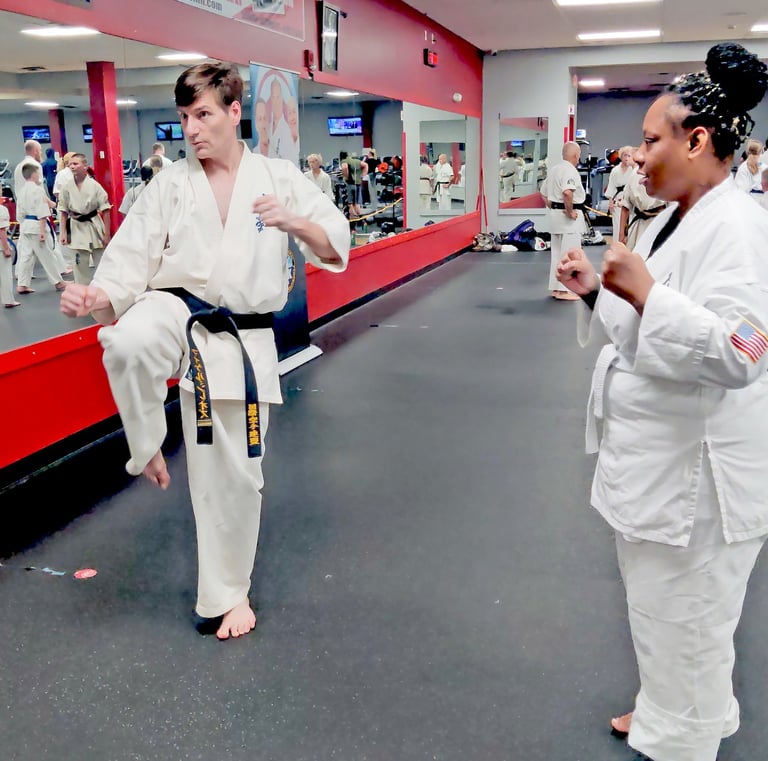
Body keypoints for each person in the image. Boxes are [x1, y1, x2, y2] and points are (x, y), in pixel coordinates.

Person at [59, 61, 350, 641]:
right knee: (126, 338)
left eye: (204, 115)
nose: (191, 129)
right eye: (185, 117)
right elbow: (129, 258)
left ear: (234, 112)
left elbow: (333, 242)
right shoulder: (170, 183)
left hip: (243, 339)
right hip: (178, 312)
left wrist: (294, 221)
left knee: (234, 479)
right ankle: (145, 446)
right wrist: (101, 293)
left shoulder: (279, 176)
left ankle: (227, 594)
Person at [556, 42, 768, 761]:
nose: (638, 155)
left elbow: (743, 352)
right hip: (657, 461)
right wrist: (598, 289)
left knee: (691, 621)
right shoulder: (675, 216)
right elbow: (647, 334)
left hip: (698, 481)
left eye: (652, 139)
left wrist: (646, 291)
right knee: (663, 617)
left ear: (698, 139)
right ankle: (665, 707)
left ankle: (682, 737)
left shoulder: (737, 225)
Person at [58, 153, 112, 285]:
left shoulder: (94, 185)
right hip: (76, 226)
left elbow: (106, 210)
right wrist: (63, 232)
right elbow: (63, 211)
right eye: (69, 164)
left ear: (85, 167)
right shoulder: (67, 187)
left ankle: (103, 289)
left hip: (94, 225)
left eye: (75, 164)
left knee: (101, 262)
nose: (72, 167)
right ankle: (82, 290)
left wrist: (107, 234)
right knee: (78, 264)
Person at [541, 140, 584, 300]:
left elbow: (543, 192)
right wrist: (569, 211)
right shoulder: (570, 170)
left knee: (557, 254)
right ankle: (565, 290)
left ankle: (556, 288)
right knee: (569, 254)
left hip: (555, 218)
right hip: (568, 220)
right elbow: (567, 193)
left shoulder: (554, 170)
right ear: (576, 155)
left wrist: (553, 206)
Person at [16, 164, 65, 294]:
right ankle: (58, 282)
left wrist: (23, 224)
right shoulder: (37, 190)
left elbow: (19, 213)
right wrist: (43, 231)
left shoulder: (21, 191)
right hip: (37, 226)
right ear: (33, 174)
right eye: (38, 174)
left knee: (26, 255)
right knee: (46, 255)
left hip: (26, 225)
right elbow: (42, 211)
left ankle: (22, 284)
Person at [619, 164, 667, 250]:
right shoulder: (635, 173)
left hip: (659, 222)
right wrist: (621, 234)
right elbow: (625, 205)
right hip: (638, 224)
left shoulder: (666, 170)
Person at [604, 145, 635, 242]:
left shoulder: (634, 170)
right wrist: (610, 202)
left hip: (630, 198)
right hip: (618, 198)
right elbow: (611, 186)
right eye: (624, 155)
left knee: (632, 224)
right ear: (621, 157)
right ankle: (616, 246)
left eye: (629, 156)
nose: (626, 158)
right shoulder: (615, 170)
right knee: (617, 226)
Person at [267, 78, 298, 165]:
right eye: (273, 97)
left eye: (278, 97)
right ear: (271, 99)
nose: (276, 101)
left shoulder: (287, 130)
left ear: (282, 99)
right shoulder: (267, 127)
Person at [0, 196, 19, 308]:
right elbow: (1, 230)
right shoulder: (1, 209)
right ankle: (8, 300)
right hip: (0, 246)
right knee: (5, 274)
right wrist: (6, 248)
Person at [340, 150, 363, 218]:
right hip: (357, 183)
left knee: (350, 204)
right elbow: (365, 165)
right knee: (356, 203)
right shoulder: (354, 161)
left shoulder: (344, 161)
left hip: (350, 184)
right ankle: (360, 219)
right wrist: (362, 175)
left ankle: (353, 219)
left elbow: (345, 167)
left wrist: (346, 177)